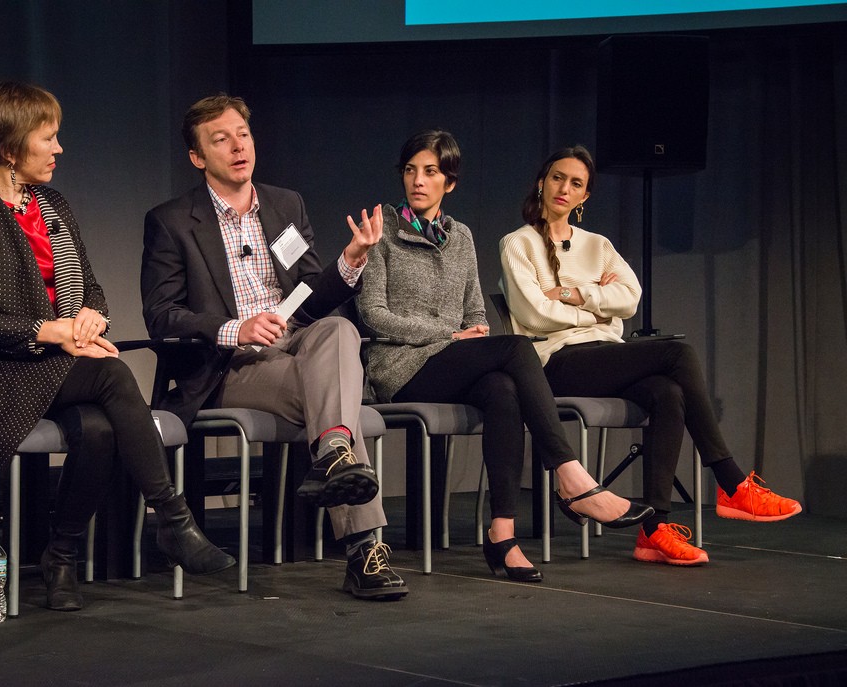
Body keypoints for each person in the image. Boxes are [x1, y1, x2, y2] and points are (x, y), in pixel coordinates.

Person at [0, 81, 234, 613]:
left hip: (60, 366)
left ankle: (60, 557)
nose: (60, 148)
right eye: (49, 138)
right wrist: (52, 332)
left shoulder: (53, 205)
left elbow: (88, 288)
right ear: (9, 149)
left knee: (97, 426)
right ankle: (172, 519)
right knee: (114, 375)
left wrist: (91, 317)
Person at [141, 94, 408, 600]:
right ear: (198, 158)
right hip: (231, 366)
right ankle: (365, 550)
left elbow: (312, 297)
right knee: (337, 396)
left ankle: (332, 451)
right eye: (221, 139)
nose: (238, 146)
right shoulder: (172, 221)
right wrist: (234, 328)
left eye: (243, 133)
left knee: (338, 332)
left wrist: (350, 261)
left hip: (299, 343)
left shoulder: (285, 204)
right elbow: (162, 315)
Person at [355, 130, 653, 583]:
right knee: (515, 347)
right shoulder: (383, 233)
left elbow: (476, 309)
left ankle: (503, 535)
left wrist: (466, 333)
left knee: (503, 388)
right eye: (411, 171)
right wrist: (449, 334)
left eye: (430, 172)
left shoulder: (461, 237)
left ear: (448, 183)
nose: (418, 181)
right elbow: (373, 316)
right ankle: (571, 476)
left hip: (449, 358)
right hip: (398, 366)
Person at [501, 145, 802, 567]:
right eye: (557, 178)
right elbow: (536, 312)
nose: (564, 189)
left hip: (605, 355)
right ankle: (731, 482)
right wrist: (598, 303)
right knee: (677, 353)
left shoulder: (598, 245)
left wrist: (575, 293)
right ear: (541, 182)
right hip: (556, 363)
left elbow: (630, 298)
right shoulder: (518, 243)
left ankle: (653, 531)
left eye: (576, 184)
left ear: (585, 197)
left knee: (667, 393)